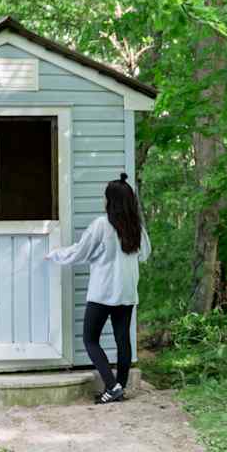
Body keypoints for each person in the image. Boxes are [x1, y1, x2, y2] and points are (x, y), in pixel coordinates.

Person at [45, 173, 150, 404]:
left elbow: (80, 252)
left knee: (90, 339)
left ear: (111, 201)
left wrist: (54, 254)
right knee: (123, 340)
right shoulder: (136, 228)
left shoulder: (101, 225)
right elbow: (145, 255)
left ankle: (112, 387)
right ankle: (119, 387)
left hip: (103, 292)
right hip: (127, 291)